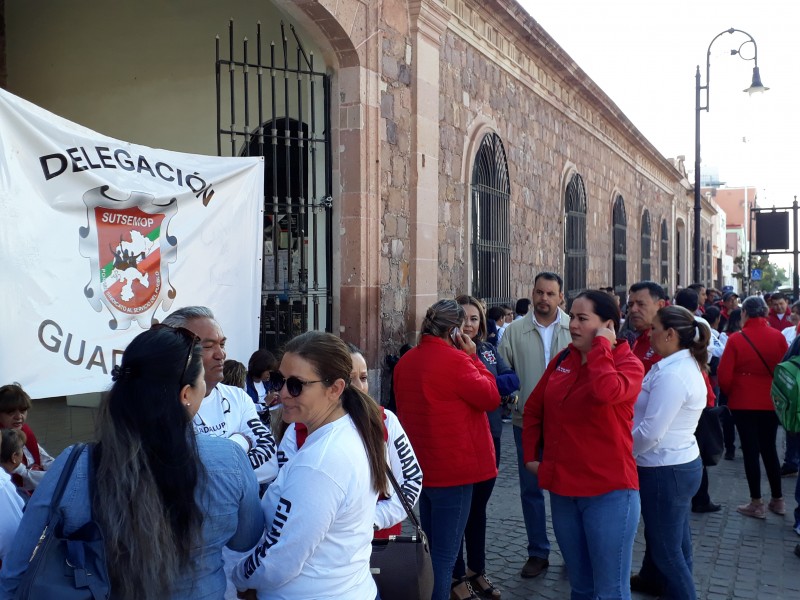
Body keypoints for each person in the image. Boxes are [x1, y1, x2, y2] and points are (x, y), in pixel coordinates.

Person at [0, 325, 265, 599]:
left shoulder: (75, 464)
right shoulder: (230, 459)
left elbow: (17, 564)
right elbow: (246, 537)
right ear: (185, 394)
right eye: (202, 382)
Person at [231, 332, 388, 600]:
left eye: (296, 385)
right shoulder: (351, 431)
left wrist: (237, 575)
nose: (281, 393)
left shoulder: (320, 464)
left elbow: (280, 558)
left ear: (335, 389)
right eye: (279, 380)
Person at [522, 290, 644, 599]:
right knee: (581, 587)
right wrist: (530, 457)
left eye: (582, 318)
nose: (572, 324)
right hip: (564, 491)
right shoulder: (563, 359)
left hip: (610, 493)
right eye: (572, 316)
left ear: (608, 325)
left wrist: (602, 347)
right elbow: (534, 407)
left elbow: (606, 391)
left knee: (611, 590)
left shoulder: (629, 364)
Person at [395, 299, 499, 600]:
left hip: (422, 471)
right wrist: (474, 357)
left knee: (433, 549)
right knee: (444, 556)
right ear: (454, 332)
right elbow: (491, 396)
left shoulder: (406, 362)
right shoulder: (457, 362)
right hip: (454, 472)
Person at [277, 342, 423, 539]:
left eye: (363, 378)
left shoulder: (385, 422)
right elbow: (285, 493)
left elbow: (411, 480)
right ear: (334, 386)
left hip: (381, 546)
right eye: (350, 378)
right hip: (320, 549)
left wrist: (372, 519)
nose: (359, 387)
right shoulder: (297, 430)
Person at [498, 272, 571, 579]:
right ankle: (538, 552)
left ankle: (572, 551)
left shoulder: (574, 329)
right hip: (525, 423)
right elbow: (504, 374)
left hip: (567, 426)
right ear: (532, 293)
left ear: (560, 298)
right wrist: (515, 399)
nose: (543, 299)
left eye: (550, 294)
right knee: (531, 490)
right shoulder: (514, 331)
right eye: (539, 292)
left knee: (567, 490)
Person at [633, 306, 707, 600]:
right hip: (677, 463)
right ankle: (653, 580)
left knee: (668, 551)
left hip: (664, 468)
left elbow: (651, 433)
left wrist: (623, 451)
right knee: (674, 540)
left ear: (670, 334)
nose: (649, 335)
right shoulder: (676, 365)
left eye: (654, 329)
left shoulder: (673, 375)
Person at [162, 306, 278, 486]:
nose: (221, 354)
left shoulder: (238, 397)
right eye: (207, 346)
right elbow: (178, 475)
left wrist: (216, 473)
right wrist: (240, 443)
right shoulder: (160, 404)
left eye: (222, 344)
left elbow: (269, 464)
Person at [453, 295, 520, 600]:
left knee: (477, 511)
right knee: (457, 512)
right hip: (460, 442)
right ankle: (455, 576)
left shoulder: (489, 351)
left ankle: (475, 570)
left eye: (474, 318)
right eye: (462, 318)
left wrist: (489, 379)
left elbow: (512, 379)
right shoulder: (448, 355)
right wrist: (492, 385)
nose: (468, 324)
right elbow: (484, 389)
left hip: (491, 440)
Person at [718, 295, 788, 519]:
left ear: (745, 313)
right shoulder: (778, 337)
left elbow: (724, 377)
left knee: (750, 450)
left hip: (744, 401)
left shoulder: (737, 339)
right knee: (769, 449)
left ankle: (756, 502)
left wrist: (733, 392)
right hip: (771, 400)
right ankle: (778, 500)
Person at [0, 384, 54, 492]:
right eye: (11, 412)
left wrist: (60, 467)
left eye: (23, 411)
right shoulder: (2, 443)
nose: (19, 417)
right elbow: (29, 480)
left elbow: (43, 457)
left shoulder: (23, 430)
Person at [245, 349, 279, 418]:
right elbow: (244, 408)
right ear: (259, 368)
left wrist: (274, 402)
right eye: (268, 371)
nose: (270, 374)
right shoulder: (244, 382)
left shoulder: (267, 383)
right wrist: (265, 403)